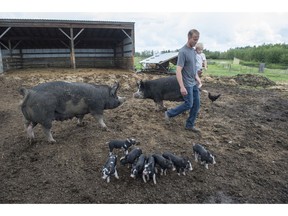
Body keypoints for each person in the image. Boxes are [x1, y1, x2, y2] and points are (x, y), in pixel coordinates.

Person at [164, 29, 202, 133]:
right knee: (189, 104)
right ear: (189, 37)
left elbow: (193, 69)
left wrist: (197, 79)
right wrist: (182, 86)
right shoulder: (183, 51)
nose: (195, 42)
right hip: (186, 84)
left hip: (193, 83)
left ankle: (189, 125)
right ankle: (169, 113)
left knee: (197, 104)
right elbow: (178, 70)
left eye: (197, 40)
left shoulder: (193, 52)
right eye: (194, 39)